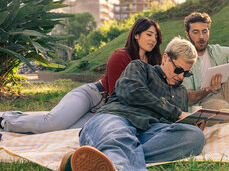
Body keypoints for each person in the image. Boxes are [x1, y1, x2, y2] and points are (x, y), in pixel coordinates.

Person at [67, 37, 205, 171]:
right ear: (165, 58)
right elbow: (132, 92)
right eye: (178, 69)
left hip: (149, 131)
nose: (180, 76)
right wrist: (176, 112)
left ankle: (98, 159)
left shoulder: (181, 92)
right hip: (118, 116)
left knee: (195, 137)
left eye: (186, 73)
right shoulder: (140, 68)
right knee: (117, 134)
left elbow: (173, 126)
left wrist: (190, 123)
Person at [0, 17, 162, 134]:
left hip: (107, 111)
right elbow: (116, 94)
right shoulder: (121, 56)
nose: (153, 39)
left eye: (156, 36)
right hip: (93, 95)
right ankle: (5, 119)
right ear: (136, 35)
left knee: (67, 131)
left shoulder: (153, 63)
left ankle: (14, 120)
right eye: (149, 34)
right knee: (53, 123)